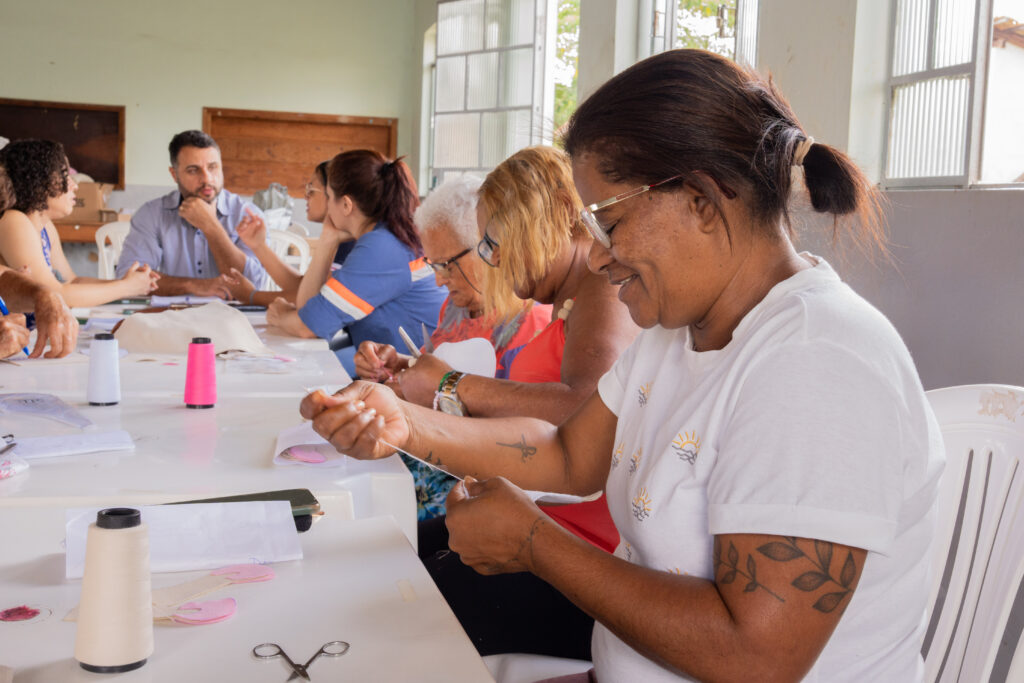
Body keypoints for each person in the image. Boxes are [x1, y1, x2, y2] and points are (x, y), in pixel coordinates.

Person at [300, 49, 945, 682]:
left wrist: (535, 545)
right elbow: (567, 454)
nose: (598, 255)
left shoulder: (817, 362)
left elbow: (757, 658)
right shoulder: (676, 334)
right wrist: (405, 426)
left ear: (701, 196)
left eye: (608, 221)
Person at [362, 145, 641, 661]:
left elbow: (586, 408)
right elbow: (530, 420)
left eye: (494, 241)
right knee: (388, 556)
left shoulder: (602, 291)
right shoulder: (569, 300)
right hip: (546, 527)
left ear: (558, 215)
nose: (493, 259)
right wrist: (422, 387)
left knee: (398, 609)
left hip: (578, 556)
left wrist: (451, 385)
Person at [354, 175, 553, 520]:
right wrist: (400, 365)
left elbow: (521, 436)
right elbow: (439, 373)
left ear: (486, 245)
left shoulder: (530, 323)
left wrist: (431, 388)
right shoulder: (454, 310)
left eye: (447, 264)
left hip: (476, 484)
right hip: (430, 456)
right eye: (432, 264)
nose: (439, 279)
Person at [266, 150, 447, 376]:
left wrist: (279, 315)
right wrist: (327, 240)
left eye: (329, 197)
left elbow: (307, 326)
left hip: (420, 379)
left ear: (346, 205)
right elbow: (310, 311)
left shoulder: (381, 248)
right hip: (400, 371)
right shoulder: (385, 236)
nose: (328, 205)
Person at [0, 140, 159, 307]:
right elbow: (54, 294)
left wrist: (129, 283)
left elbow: (72, 282)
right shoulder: (13, 221)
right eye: (64, 175)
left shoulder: (46, 228)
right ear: (38, 182)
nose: (74, 185)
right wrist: (125, 287)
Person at [116, 130, 267, 298]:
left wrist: (210, 226)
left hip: (235, 316)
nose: (207, 178)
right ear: (174, 174)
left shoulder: (247, 214)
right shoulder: (151, 214)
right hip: (172, 315)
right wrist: (195, 286)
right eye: (193, 170)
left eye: (213, 167)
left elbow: (253, 286)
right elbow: (129, 278)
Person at [221, 161, 354, 306]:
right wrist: (259, 245)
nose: (305, 196)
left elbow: (317, 299)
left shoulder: (350, 243)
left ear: (334, 193)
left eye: (311, 189)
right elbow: (303, 286)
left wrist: (252, 296)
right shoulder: (338, 237)